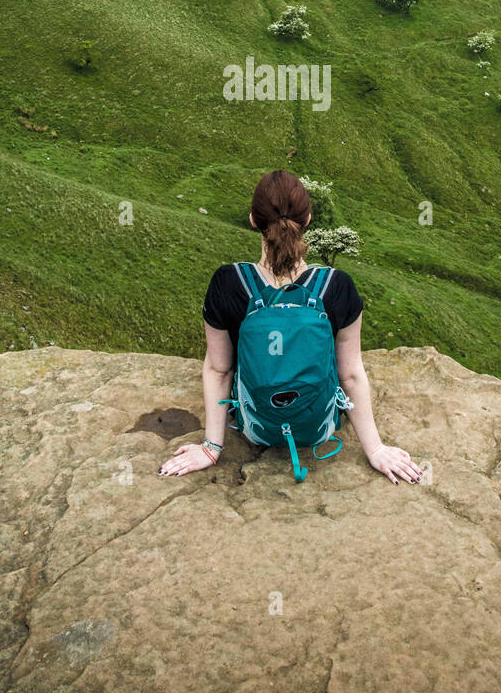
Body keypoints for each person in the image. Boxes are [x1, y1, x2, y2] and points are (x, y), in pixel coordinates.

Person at [158, 170, 423, 484]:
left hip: (253, 428)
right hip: (318, 430)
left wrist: (211, 447)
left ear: (253, 220)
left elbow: (219, 370)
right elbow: (349, 374)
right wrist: (376, 449)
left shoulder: (227, 284)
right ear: (308, 219)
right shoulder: (337, 287)